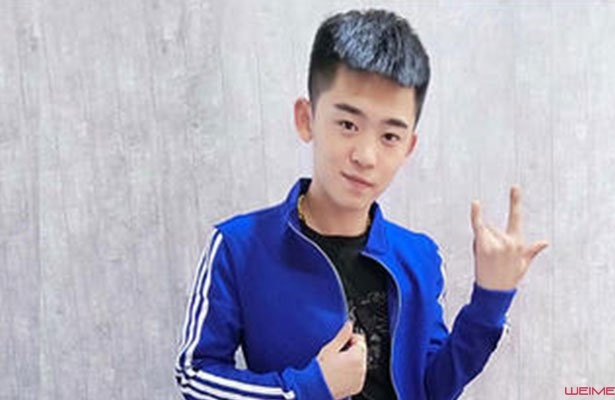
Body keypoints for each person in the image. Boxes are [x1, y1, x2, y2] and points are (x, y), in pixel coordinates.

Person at [174, 8, 548, 400]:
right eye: (348, 125)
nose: (366, 156)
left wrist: (489, 300)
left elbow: (433, 388)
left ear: (408, 147)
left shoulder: (419, 256)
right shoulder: (239, 247)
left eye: (390, 136)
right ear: (306, 119)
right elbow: (194, 376)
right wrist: (307, 388)